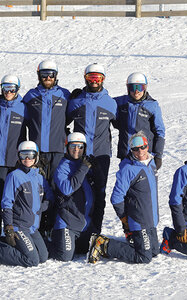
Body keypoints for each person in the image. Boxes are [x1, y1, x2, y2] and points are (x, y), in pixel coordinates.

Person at [88, 132, 159, 264]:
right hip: (139, 220)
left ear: (147, 146)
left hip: (151, 219)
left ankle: (135, 241)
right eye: (135, 149)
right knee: (144, 257)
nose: (140, 151)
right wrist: (124, 219)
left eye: (142, 147)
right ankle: (103, 244)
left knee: (154, 251)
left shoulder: (152, 163)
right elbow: (116, 197)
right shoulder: (128, 169)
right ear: (131, 150)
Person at [0, 141, 54, 267]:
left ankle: (2, 242)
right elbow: (7, 203)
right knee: (32, 260)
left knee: (43, 257)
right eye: (23, 155)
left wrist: (40, 208)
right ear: (19, 156)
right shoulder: (14, 176)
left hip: (33, 227)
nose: (27, 159)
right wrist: (9, 226)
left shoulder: (39, 177)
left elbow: (49, 197)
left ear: (36, 157)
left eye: (31, 155)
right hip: (19, 226)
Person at [66, 63, 117, 235]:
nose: (94, 81)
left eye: (98, 78)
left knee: (99, 193)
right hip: (79, 155)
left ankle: (96, 231)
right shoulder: (76, 102)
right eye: (91, 78)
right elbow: (61, 122)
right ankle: (79, 229)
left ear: (103, 79)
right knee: (79, 192)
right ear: (85, 79)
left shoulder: (110, 103)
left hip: (101, 155)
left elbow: (124, 125)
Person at [22, 60, 70, 183]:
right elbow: (24, 118)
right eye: (44, 74)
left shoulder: (65, 95)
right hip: (38, 150)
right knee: (38, 185)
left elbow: (71, 114)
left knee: (57, 184)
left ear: (56, 75)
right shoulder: (31, 96)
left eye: (51, 74)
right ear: (39, 75)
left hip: (58, 149)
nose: (48, 78)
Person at [51, 132, 96, 261]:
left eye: (80, 147)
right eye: (73, 146)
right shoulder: (63, 167)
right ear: (67, 147)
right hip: (67, 223)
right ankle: (43, 245)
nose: (77, 150)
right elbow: (67, 189)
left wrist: (95, 171)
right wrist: (84, 168)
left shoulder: (84, 165)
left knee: (86, 251)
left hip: (84, 223)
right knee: (65, 256)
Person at [0, 75, 26, 206]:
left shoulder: (23, 107)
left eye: (12, 89)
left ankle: (15, 225)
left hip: (15, 160)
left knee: (14, 196)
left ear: (17, 89)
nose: (8, 92)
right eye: (5, 88)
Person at [114, 72, 165, 169]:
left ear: (145, 88)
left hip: (144, 154)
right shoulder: (121, 102)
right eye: (132, 88)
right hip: (126, 153)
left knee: (144, 182)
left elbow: (160, 131)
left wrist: (158, 155)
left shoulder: (152, 106)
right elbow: (104, 102)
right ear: (128, 88)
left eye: (140, 88)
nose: (136, 91)